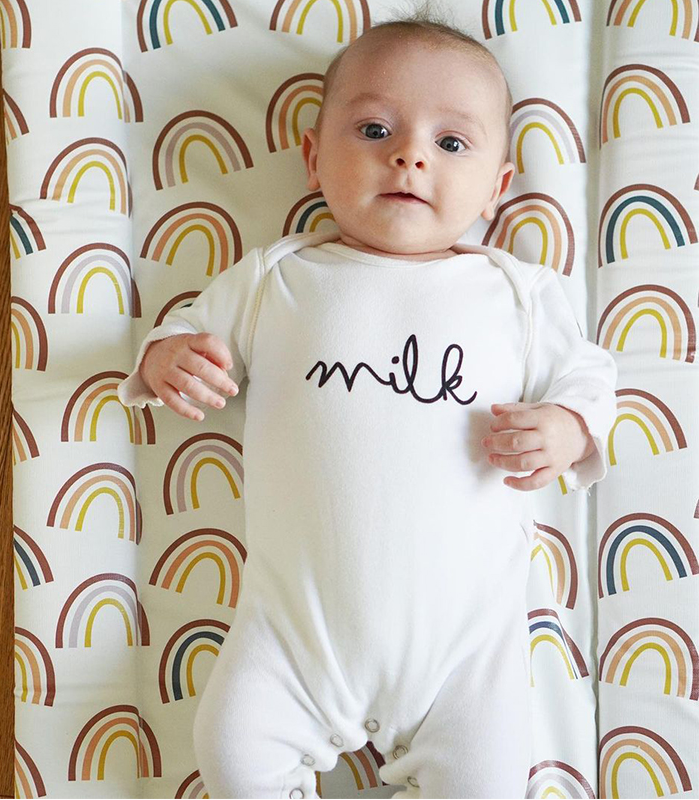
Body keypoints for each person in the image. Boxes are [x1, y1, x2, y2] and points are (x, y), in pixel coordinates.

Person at [118, 8, 618, 799]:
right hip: (293, 634)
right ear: (314, 159)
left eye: (450, 143)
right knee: (234, 752)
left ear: (497, 187)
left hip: (464, 652)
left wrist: (567, 427)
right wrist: (168, 360)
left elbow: (590, 377)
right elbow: (185, 330)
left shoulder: (518, 293)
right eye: (375, 130)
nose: (409, 155)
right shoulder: (275, 278)